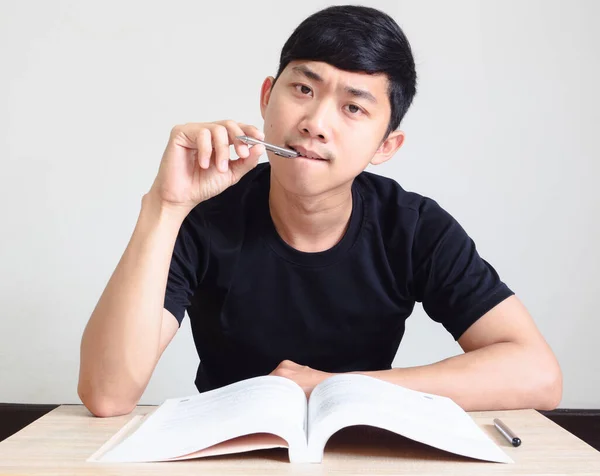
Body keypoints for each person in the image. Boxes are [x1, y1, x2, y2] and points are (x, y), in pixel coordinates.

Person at [78, 5, 562, 418]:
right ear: (268, 97)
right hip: (228, 453)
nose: (314, 124)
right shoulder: (204, 218)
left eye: (353, 108)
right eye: (304, 90)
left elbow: (538, 374)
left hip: (365, 451)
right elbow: (106, 394)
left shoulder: (414, 227)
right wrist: (165, 206)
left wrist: (339, 388)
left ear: (386, 145)